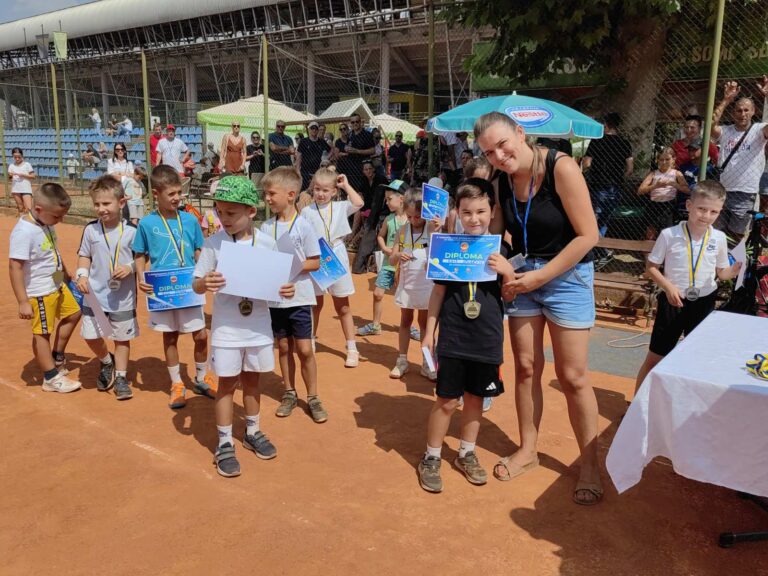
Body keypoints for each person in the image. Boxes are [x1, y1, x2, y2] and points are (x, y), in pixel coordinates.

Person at [475, 111, 603, 505]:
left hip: (567, 277)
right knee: (527, 368)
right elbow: (495, 233)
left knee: (573, 376)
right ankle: (528, 450)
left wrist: (540, 276)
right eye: (488, 151)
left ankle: (590, 464)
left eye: (502, 144)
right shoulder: (499, 180)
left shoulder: (560, 167)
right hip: (523, 276)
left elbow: (589, 236)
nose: (498, 155)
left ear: (520, 133)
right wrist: (464, 246)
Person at [192, 176, 294, 477]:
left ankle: (252, 431)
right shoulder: (213, 244)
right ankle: (224, 442)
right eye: (220, 212)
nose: (224, 219)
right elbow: (195, 283)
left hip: (259, 326)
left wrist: (284, 289)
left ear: (251, 211)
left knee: (252, 381)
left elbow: (277, 285)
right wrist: (204, 282)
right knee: (226, 385)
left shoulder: (267, 242)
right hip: (226, 329)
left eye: (231, 213)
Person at [418, 179, 511, 493]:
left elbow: (511, 296)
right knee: (446, 401)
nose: (474, 218)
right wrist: (429, 332)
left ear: (492, 211)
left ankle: (466, 453)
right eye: (467, 212)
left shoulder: (502, 250)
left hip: (487, 339)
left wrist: (508, 272)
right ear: (456, 212)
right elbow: (438, 293)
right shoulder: (446, 246)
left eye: (481, 211)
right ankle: (431, 457)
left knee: (474, 400)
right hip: (454, 337)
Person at [633, 181, 741, 394]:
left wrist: (735, 270)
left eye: (713, 212)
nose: (706, 216)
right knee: (656, 356)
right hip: (674, 301)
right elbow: (652, 267)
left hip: (704, 301)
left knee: (696, 359)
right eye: (701, 209)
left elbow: (722, 272)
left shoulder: (718, 238)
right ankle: (636, 404)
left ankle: (684, 405)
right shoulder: (669, 234)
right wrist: (668, 286)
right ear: (689, 205)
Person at [133, 165, 216, 409]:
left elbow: (200, 250)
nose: (177, 197)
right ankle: (177, 383)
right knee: (170, 337)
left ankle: (201, 378)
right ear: (156, 194)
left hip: (189, 285)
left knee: (200, 334)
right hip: (162, 290)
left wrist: (205, 270)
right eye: (171, 194)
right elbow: (140, 254)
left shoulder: (190, 220)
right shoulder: (147, 224)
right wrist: (141, 277)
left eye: (179, 192)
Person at [260, 167, 327, 423]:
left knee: (305, 349)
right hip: (275, 299)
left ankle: (313, 397)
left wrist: (292, 265)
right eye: (266, 193)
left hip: (300, 298)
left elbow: (316, 262)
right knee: (284, 346)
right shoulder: (265, 227)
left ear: (290, 195)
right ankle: (289, 392)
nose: (267, 198)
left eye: (271, 193)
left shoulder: (305, 226)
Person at [9, 183, 82, 393]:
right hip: (39, 292)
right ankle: (50, 377)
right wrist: (23, 301)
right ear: (39, 209)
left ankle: (57, 356)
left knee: (74, 313)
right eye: (57, 217)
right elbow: (15, 266)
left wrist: (66, 275)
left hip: (56, 284)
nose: (61, 221)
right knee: (42, 333)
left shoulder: (45, 223)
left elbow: (52, 253)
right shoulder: (24, 232)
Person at [74, 176, 138, 400]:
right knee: (91, 336)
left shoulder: (132, 231)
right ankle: (106, 361)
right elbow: (85, 255)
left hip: (123, 297)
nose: (101, 209)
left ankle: (121, 377)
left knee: (121, 338)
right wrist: (82, 275)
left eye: (106, 204)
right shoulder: (91, 230)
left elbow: (142, 259)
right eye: (97, 204)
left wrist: (130, 268)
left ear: (121, 203)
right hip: (95, 296)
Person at [301, 166, 364, 367]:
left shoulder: (340, 206)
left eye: (325, 190)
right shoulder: (306, 211)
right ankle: (310, 340)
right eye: (317, 189)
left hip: (336, 254)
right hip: (316, 256)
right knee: (315, 304)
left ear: (334, 191)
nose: (320, 194)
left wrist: (346, 184)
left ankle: (352, 347)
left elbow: (359, 202)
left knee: (342, 305)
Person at [387, 189, 438, 381]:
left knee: (425, 324)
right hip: (407, 285)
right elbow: (391, 260)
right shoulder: (402, 230)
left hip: (427, 286)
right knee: (405, 321)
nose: (414, 220)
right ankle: (402, 361)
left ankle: (427, 363)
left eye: (418, 216)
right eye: (409, 216)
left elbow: (439, 253)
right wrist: (398, 255)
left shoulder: (432, 229)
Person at [711, 79, 768, 241]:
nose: (742, 114)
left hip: (745, 193)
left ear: (753, 111)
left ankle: (736, 265)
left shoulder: (758, 130)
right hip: (723, 191)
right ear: (733, 113)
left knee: (737, 237)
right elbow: (711, 123)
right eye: (738, 110)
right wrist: (726, 100)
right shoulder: (726, 131)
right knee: (717, 234)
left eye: (746, 110)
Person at [358, 182, 408, 336]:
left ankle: (409, 327)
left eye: (389, 198)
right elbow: (380, 236)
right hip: (388, 264)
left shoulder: (411, 220)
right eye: (386, 199)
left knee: (406, 299)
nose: (386, 202)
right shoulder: (389, 219)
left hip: (404, 266)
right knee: (378, 293)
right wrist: (385, 248)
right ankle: (375, 325)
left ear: (402, 199)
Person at [582, 112, 633, 238]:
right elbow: (630, 168)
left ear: (606, 125)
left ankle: (593, 245)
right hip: (615, 186)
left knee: (594, 215)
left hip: (597, 184)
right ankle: (600, 246)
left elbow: (587, 163)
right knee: (605, 218)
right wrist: (620, 177)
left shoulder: (596, 142)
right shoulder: (625, 143)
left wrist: (582, 166)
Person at [637, 147, 689, 239]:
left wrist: (673, 184)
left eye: (667, 159)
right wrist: (655, 186)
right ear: (658, 160)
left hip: (669, 205)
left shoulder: (677, 173)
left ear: (673, 160)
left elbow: (687, 189)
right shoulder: (653, 173)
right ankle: (648, 252)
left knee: (667, 232)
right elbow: (640, 190)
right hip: (654, 205)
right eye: (661, 159)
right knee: (650, 231)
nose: (664, 162)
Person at [345, 114, 375, 192]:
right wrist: (346, 149)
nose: (355, 124)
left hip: (363, 168)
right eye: (353, 122)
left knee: (364, 191)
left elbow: (372, 150)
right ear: (350, 123)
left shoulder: (367, 135)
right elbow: (348, 146)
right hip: (351, 168)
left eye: (357, 121)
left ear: (360, 122)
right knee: (352, 190)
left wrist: (357, 151)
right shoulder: (350, 135)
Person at [297, 121, 331, 191]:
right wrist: (297, 170)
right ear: (309, 129)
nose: (314, 130)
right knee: (304, 191)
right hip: (305, 172)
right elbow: (299, 156)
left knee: (317, 190)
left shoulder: (322, 141)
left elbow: (331, 150)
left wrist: (326, 159)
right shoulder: (303, 141)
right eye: (312, 128)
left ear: (318, 130)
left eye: (316, 128)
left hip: (318, 171)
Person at [8, 147, 35, 214]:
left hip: (26, 189)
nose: (17, 159)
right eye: (15, 157)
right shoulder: (11, 166)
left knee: (29, 208)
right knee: (20, 208)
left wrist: (22, 175)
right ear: (13, 156)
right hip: (16, 189)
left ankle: (30, 223)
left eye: (19, 157)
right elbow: (10, 178)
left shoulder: (27, 165)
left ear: (22, 156)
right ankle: (22, 222)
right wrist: (10, 176)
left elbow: (33, 176)